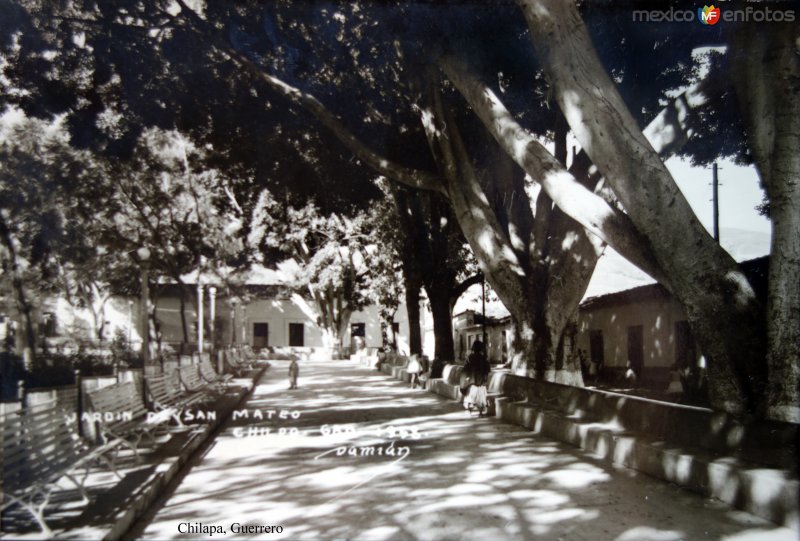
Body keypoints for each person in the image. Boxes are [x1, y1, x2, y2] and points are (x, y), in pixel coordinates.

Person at [461, 339, 491, 415]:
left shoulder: (470, 358)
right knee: (481, 398)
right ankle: (480, 412)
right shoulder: (483, 358)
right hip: (481, 382)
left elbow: (465, 370)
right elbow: (487, 370)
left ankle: (469, 410)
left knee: (470, 397)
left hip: (472, 381)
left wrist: (464, 381)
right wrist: (485, 378)